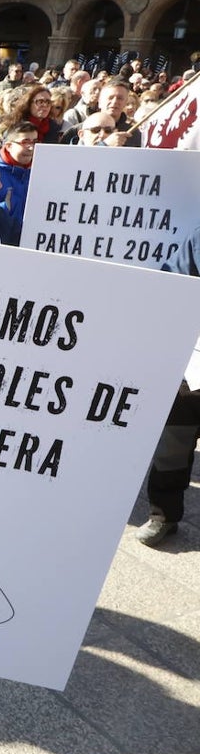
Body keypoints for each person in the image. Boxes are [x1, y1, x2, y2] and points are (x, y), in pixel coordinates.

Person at [135, 227, 200, 546]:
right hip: (195, 361)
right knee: (174, 438)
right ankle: (164, 515)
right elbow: (171, 282)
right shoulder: (198, 238)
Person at [0, 121, 36, 220]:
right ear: (9, 146)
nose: (31, 147)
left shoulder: (38, 171)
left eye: (34, 142)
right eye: (25, 142)